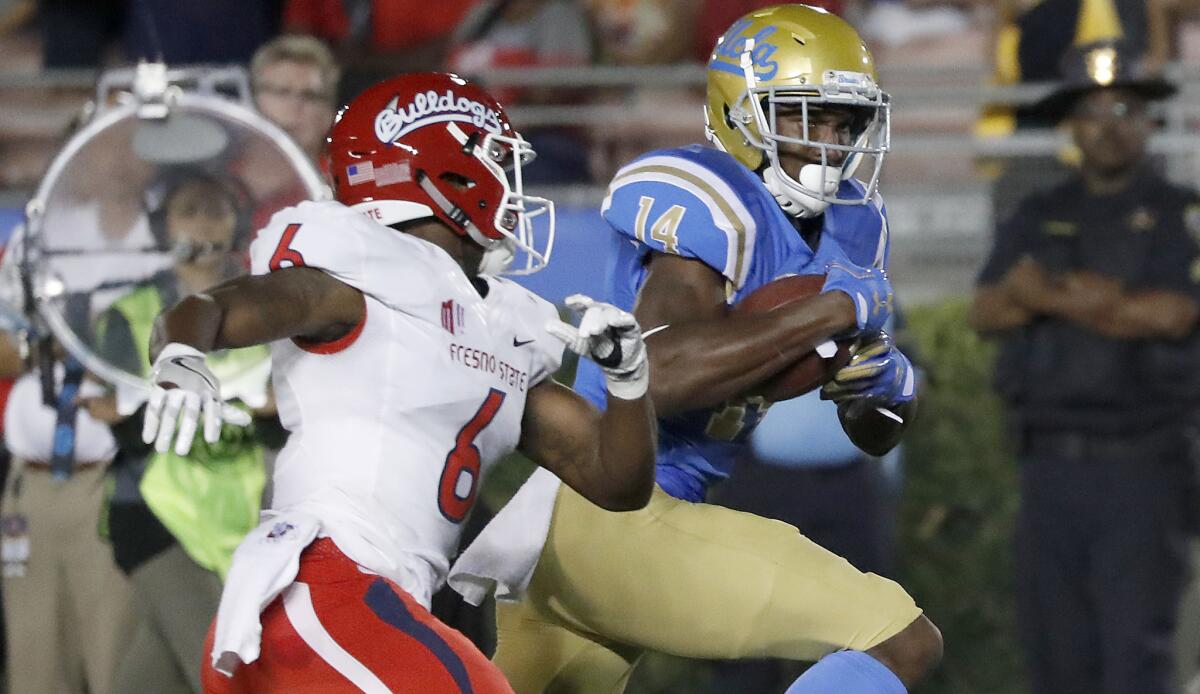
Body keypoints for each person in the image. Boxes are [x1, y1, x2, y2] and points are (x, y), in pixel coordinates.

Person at [449, 6, 942, 693]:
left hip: (589, 525)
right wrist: (835, 308)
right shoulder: (715, 202)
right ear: (744, 113)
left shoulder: (852, 225)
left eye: (843, 122)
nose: (829, 142)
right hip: (621, 513)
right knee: (898, 638)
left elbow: (876, 433)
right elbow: (657, 375)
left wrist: (882, 385)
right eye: (807, 117)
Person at [139, 71, 657, 692]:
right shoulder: (359, 279)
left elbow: (615, 479)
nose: (512, 184)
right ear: (444, 169)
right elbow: (219, 307)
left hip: (378, 606)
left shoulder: (504, 326)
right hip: (321, 585)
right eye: (494, 158)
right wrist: (179, 352)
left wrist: (628, 379)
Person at [971, 40, 1200, 694]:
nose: (1109, 123)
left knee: (1136, 661)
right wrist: (1100, 301)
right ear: (1070, 122)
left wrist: (1045, 295)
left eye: (1125, 106)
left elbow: (1172, 315)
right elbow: (987, 310)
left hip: (1143, 470)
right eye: (1093, 109)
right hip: (1048, 472)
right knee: (1057, 660)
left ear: (1150, 119)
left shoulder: (1180, 215)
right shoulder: (1036, 213)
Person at [86, 170, 276, 694]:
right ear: (159, 223)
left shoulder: (267, 303)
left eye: (216, 209)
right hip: (154, 512)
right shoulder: (129, 311)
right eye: (188, 210)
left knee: (153, 676)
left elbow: (289, 398)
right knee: (221, 671)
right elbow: (104, 403)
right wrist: (247, 398)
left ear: (238, 220)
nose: (204, 224)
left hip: (251, 507)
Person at [1, 354, 136, 694]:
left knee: (107, 628)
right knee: (32, 629)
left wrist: (85, 345)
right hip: (28, 486)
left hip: (99, 483)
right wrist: (38, 338)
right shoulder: (24, 307)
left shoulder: (114, 307)